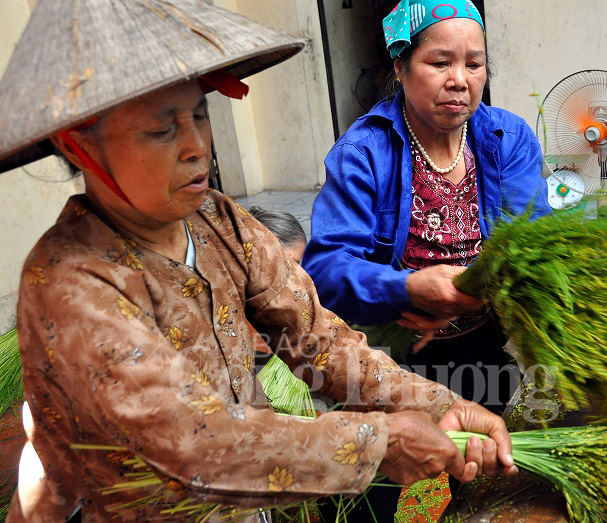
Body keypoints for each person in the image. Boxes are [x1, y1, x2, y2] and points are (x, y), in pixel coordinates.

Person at [0, 1, 517, 521]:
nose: (197, 146)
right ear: (80, 146)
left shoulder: (218, 222)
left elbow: (318, 340)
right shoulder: (71, 279)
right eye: (162, 130)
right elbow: (189, 441)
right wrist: (379, 442)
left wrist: (437, 405)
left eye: (199, 115)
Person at [303, 0, 552, 413]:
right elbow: (326, 269)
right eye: (440, 63)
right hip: (397, 355)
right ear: (400, 67)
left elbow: (530, 243)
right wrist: (407, 289)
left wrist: (480, 291)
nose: (459, 81)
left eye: (474, 65)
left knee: (482, 453)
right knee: (417, 466)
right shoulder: (364, 153)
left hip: (489, 340)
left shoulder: (509, 139)